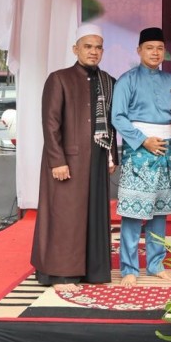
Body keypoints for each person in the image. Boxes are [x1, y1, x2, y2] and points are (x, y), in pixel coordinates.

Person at [30, 23, 118, 292]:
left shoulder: (108, 81)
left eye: (98, 47)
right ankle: (61, 273)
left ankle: (93, 270)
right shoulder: (59, 78)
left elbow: (112, 124)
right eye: (88, 46)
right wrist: (57, 161)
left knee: (94, 214)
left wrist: (111, 156)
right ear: (75, 49)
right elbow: (50, 123)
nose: (94, 52)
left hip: (97, 159)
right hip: (67, 161)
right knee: (66, 215)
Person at [112, 27, 171, 286]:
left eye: (160, 48)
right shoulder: (126, 80)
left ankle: (155, 264)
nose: (155, 53)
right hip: (139, 151)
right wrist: (143, 140)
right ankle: (129, 268)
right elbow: (117, 117)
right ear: (139, 50)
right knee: (133, 212)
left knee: (159, 212)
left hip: (166, 151)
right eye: (150, 48)